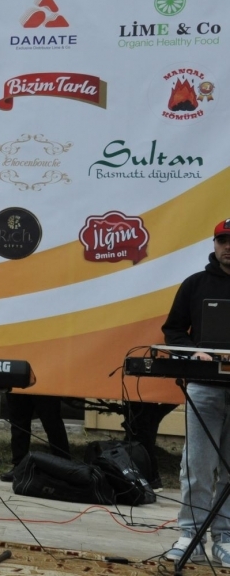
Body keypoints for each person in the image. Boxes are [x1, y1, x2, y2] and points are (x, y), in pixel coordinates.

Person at [162, 218, 230, 566]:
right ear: (215, 244)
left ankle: (226, 537)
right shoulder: (195, 284)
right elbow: (173, 330)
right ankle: (191, 534)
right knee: (197, 464)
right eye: (223, 240)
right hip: (204, 387)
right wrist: (193, 352)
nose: (228, 247)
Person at [0, 393, 71, 482]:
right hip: (18, 386)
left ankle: (64, 467)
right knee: (18, 423)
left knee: (52, 421)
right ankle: (19, 467)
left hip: (45, 386)